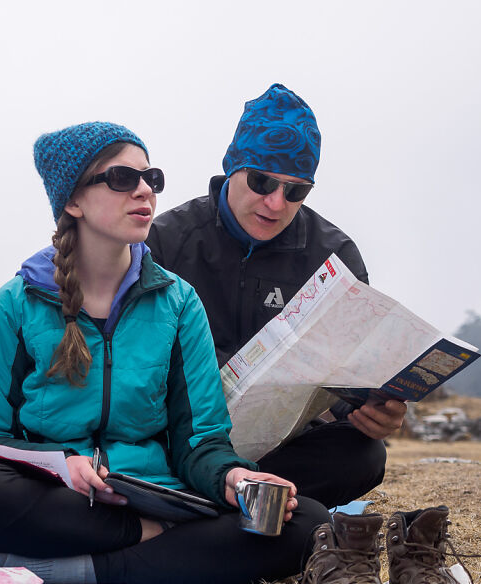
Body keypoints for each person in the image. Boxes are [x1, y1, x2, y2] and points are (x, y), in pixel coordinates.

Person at [0, 121, 331, 584]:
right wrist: (62, 461)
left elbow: (200, 440)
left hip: (157, 494)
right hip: (61, 495)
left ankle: (87, 567)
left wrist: (231, 479)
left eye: (151, 178)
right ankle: (158, 542)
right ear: (73, 201)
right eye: (122, 179)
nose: (145, 191)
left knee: (304, 520)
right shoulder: (14, 306)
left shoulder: (180, 303)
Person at [145, 84, 407, 510]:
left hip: (278, 448)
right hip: (183, 436)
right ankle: (228, 498)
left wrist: (371, 410)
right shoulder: (166, 243)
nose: (275, 202)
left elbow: (347, 371)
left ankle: (225, 503)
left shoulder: (334, 256)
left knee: (363, 456)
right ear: (232, 167)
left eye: (296, 190)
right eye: (262, 181)